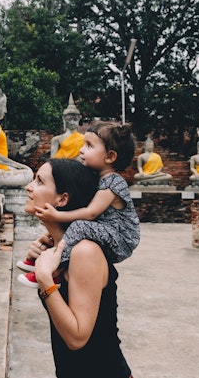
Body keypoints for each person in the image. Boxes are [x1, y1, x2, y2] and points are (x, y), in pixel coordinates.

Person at [26, 159, 134, 377]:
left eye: (39, 181)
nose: (29, 186)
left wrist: (45, 279)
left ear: (62, 199)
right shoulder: (60, 250)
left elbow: (77, 338)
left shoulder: (86, 252)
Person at [17, 121, 140, 286]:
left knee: (79, 226)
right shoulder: (96, 178)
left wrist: (57, 215)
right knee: (66, 231)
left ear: (110, 156)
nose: (81, 150)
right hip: (106, 230)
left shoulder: (113, 182)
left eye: (89, 146)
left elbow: (90, 213)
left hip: (121, 238)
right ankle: (41, 256)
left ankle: (56, 270)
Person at [0, 76, 33, 187]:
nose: (5, 110)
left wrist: (13, 167)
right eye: (4, 106)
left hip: (1, 169)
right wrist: (17, 165)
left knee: (28, 172)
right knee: (27, 174)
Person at [50, 94, 84, 160]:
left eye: (75, 119)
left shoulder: (84, 138)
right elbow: (53, 160)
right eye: (69, 119)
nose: (72, 122)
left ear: (79, 119)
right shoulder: (57, 139)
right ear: (64, 119)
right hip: (62, 166)